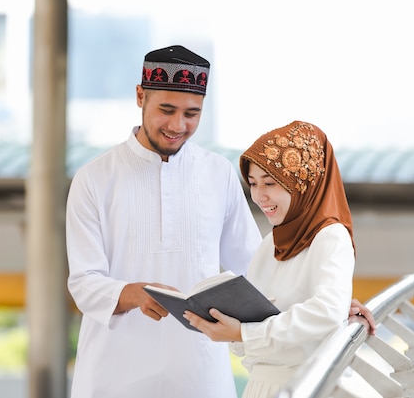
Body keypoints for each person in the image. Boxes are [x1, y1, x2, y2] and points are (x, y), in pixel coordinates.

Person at [66, 45, 263, 398]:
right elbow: (83, 282)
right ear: (141, 96)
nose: (178, 125)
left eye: (192, 114)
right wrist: (133, 293)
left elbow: (255, 267)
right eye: (166, 110)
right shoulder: (95, 178)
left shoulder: (218, 173)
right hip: (112, 377)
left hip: (200, 378)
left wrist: (326, 302)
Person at [183, 120, 373, 397]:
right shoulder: (271, 243)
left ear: (302, 182)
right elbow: (261, 323)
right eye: (252, 183)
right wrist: (231, 329)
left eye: (270, 183)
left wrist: (244, 334)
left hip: (307, 386)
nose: (259, 196)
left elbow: (326, 313)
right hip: (263, 386)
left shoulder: (330, 236)